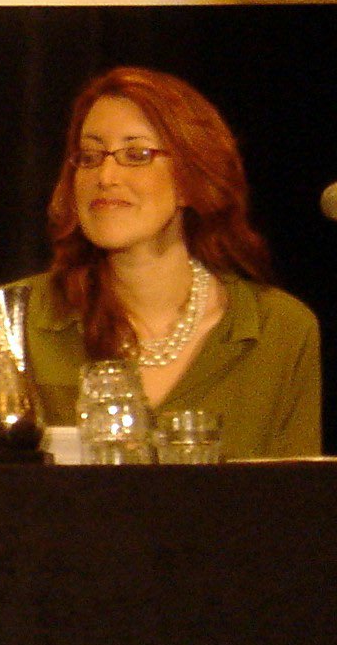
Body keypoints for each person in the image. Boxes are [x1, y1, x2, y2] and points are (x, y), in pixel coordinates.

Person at [24, 66, 320, 459]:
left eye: (136, 155)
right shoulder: (17, 317)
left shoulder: (279, 329)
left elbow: (299, 506)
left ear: (189, 177)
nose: (106, 176)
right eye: (90, 156)